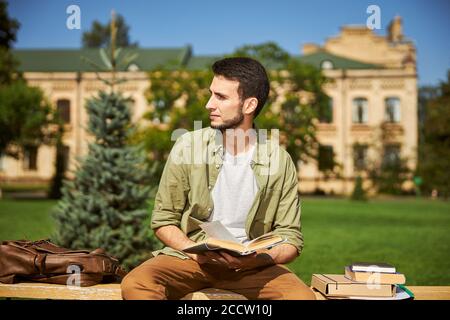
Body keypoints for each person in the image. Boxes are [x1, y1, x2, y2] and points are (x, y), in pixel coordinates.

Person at [121, 57, 316, 300]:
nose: (208, 104)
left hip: (253, 268)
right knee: (138, 284)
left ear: (249, 105)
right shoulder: (187, 147)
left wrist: (262, 258)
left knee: (302, 298)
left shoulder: (279, 160)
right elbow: (163, 220)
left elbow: (291, 237)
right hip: (191, 260)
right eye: (211, 94)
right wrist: (194, 253)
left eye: (221, 97)